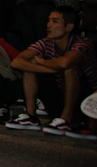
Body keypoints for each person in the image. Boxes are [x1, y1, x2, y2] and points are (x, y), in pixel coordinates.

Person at [7, 7, 97, 139]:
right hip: (60, 95)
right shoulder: (46, 43)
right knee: (30, 63)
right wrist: (52, 68)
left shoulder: (83, 43)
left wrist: (42, 62)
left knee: (70, 68)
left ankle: (66, 120)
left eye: (55, 21)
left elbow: (65, 63)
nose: (49, 25)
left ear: (69, 27)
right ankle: (31, 117)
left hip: (87, 102)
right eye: (49, 20)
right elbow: (17, 62)